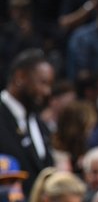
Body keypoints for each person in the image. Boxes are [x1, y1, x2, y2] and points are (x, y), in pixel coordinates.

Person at [0, 50, 55, 195]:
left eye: (50, 85)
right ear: (20, 77)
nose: (47, 92)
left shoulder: (39, 123)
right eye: (43, 83)